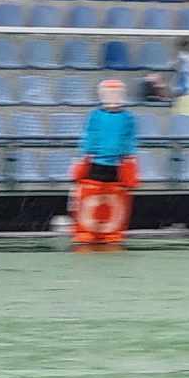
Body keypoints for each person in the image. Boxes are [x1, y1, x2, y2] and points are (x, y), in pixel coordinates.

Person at [68, 78, 140, 251]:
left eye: (116, 94)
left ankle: (111, 233)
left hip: (117, 166)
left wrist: (130, 159)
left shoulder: (128, 118)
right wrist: (84, 156)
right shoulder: (95, 116)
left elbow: (130, 140)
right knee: (91, 196)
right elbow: (89, 137)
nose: (113, 97)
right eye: (109, 93)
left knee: (116, 198)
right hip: (96, 164)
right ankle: (86, 232)